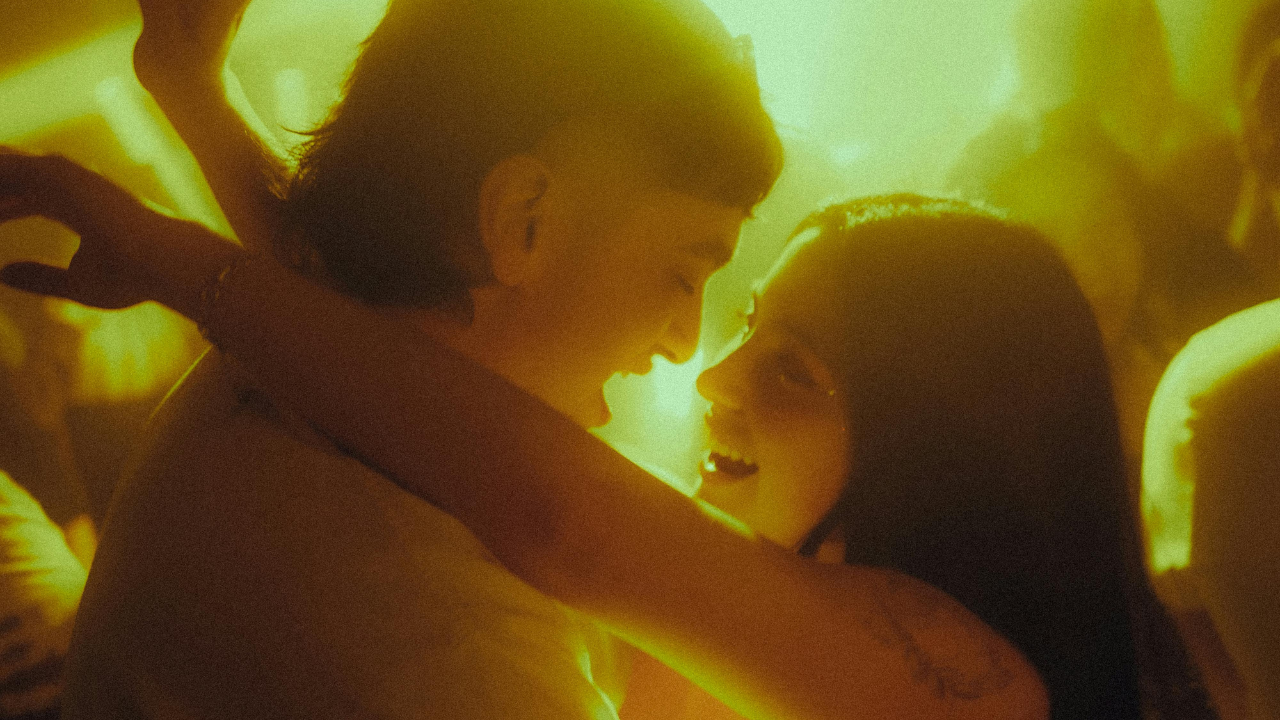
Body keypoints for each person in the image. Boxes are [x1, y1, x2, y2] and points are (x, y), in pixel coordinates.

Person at [4, 151, 1221, 716]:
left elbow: (548, 511)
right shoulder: (724, 597)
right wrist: (197, 108)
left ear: (932, 451)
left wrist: (182, 266)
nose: (712, 373)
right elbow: (424, 381)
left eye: (790, 369)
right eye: (745, 321)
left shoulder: (966, 680)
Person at [12, 0, 783, 717]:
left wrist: (195, 91)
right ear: (524, 220)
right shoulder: (457, 650)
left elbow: (321, 275)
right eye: (683, 276)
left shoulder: (309, 368)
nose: (688, 345)